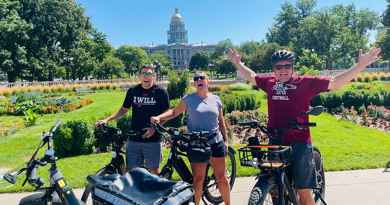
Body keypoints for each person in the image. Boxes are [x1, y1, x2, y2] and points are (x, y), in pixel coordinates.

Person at [228, 47, 380, 205]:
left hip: (299, 143)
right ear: (273, 69)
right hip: (275, 142)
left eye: (287, 66)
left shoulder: (305, 83)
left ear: (293, 67)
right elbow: (251, 76)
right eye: (279, 67)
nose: (283, 70)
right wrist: (238, 63)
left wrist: (360, 65)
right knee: (273, 188)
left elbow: (335, 83)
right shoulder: (270, 83)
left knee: (303, 193)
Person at [150, 71, 231, 205]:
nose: (199, 80)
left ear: (207, 81)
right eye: (196, 78)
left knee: (222, 178)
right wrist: (159, 117)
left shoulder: (216, 99)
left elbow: (221, 122)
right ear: (194, 83)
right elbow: (174, 112)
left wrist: (226, 141)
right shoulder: (189, 99)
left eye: (202, 77)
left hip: (216, 142)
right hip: (197, 144)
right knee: (198, 179)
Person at [96, 65, 169, 175]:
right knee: (131, 171)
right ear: (139, 76)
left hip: (152, 139)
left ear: (154, 76)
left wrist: (154, 129)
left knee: (154, 171)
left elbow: (166, 115)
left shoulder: (161, 92)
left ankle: (153, 191)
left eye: (149, 74)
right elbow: (124, 109)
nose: (146, 76)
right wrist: (107, 119)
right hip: (134, 138)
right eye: (144, 73)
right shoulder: (133, 91)